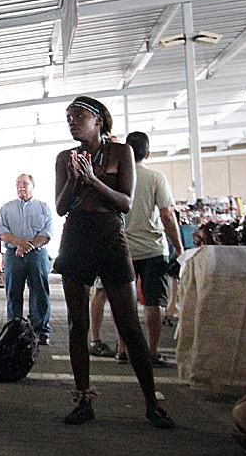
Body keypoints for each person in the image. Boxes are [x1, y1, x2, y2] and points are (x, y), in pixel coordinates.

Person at [52, 96, 175, 429]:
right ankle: (83, 400)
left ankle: (152, 403)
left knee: (129, 324)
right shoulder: (65, 158)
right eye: (68, 117)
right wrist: (75, 178)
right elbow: (61, 208)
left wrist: (92, 179)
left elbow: (124, 202)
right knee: (77, 324)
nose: (71, 122)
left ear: (98, 120)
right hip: (76, 234)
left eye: (78, 116)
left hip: (110, 235)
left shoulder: (122, 153)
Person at [122, 131, 184, 367]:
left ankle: (122, 349)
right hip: (153, 250)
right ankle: (152, 351)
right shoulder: (156, 178)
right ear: (147, 154)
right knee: (154, 302)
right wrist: (178, 246)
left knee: (124, 303)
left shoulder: (118, 178)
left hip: (124, 250)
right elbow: (167, 215)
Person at [0, 174, 53, 345]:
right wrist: (18, 243)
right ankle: (14, 330)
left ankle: (40, 331)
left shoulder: (44, 208)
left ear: (33, 186)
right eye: (18, 184)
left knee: (40, 292)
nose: (21, 186)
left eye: (25, 183)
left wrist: (28, 246)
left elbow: (47, 233)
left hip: (38, 254)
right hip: (13, 255)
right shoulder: (6, 208)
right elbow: (2, 232)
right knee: (13, 292)